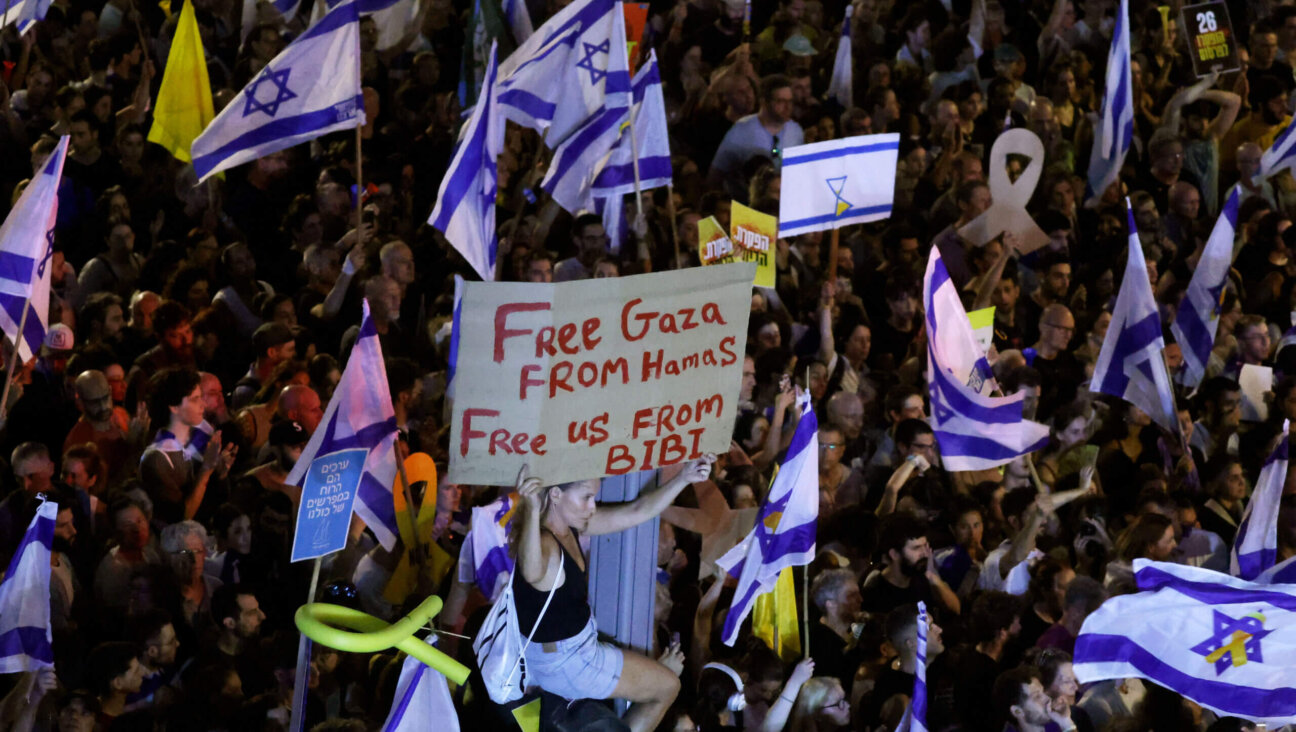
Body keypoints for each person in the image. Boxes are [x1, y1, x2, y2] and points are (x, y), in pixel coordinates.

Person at [512, 456, 714, 732]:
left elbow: (637, 511)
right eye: (586, 498)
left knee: (665, 683)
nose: (592, 507)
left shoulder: (567, 527)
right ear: (556, 494)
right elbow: (532, 571)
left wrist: (683, 478)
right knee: (668, 686)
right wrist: (533, 510)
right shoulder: (544, 541)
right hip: (568, 662)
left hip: (568, 653)